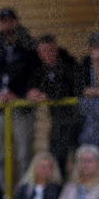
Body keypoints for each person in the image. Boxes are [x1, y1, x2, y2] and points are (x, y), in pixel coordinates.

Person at [0, 8, 38, 190]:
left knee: (24, 154)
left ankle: (24, 194)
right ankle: (1, 194)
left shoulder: (28, 44)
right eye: (3, 21)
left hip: (22, 109)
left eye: (10, 20)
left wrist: (19, 94)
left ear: (16, 21)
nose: (7, 24)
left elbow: (35, 74)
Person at [26, 34, 81, 177]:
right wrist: (33, 93)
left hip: (76, 119)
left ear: (56, 49)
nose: (47, 54)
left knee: (77, 158)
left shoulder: (68, 63)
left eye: (50, 50)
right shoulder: (40, 69)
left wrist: (46, 94)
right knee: (57, 157)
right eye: (43, 51)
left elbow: (67, 88)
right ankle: (60, 188)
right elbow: (33, 86)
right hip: (57, 120)